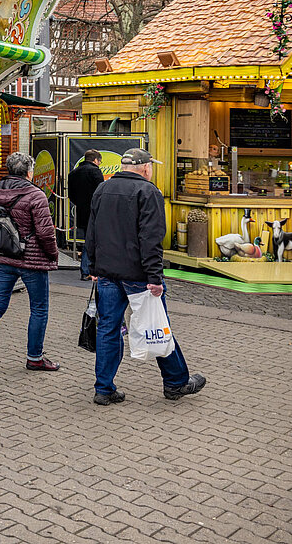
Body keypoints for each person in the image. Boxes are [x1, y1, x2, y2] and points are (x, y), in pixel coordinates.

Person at [85, 148, 206, 406]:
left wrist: (92, 267)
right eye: (151, 165)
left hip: (107, 272)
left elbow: (92, 231)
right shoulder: (148, 192)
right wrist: (155, 277)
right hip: (138, 275)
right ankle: (176, 382)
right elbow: (151, 238)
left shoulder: (102, 189)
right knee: (158, 326)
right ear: (145, 167)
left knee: (108, 329)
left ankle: (103, 388)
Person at [0, 151, 61, 374]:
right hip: (31, 260)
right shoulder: (36, 195)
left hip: (2, 255)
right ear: (29, 172)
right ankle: (35, 358)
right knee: (39, 308)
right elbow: (45, 232)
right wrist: (53, 254)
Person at [70, 149, 105, 280]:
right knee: (95, 242)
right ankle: (89, 269)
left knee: (87, 240)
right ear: (96, 160)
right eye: (99, 162)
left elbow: (71, 195)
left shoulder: (73, 173)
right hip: (96, 211)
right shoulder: (95, 171)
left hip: (81, 212)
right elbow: (101, 191)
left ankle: (86, 270)